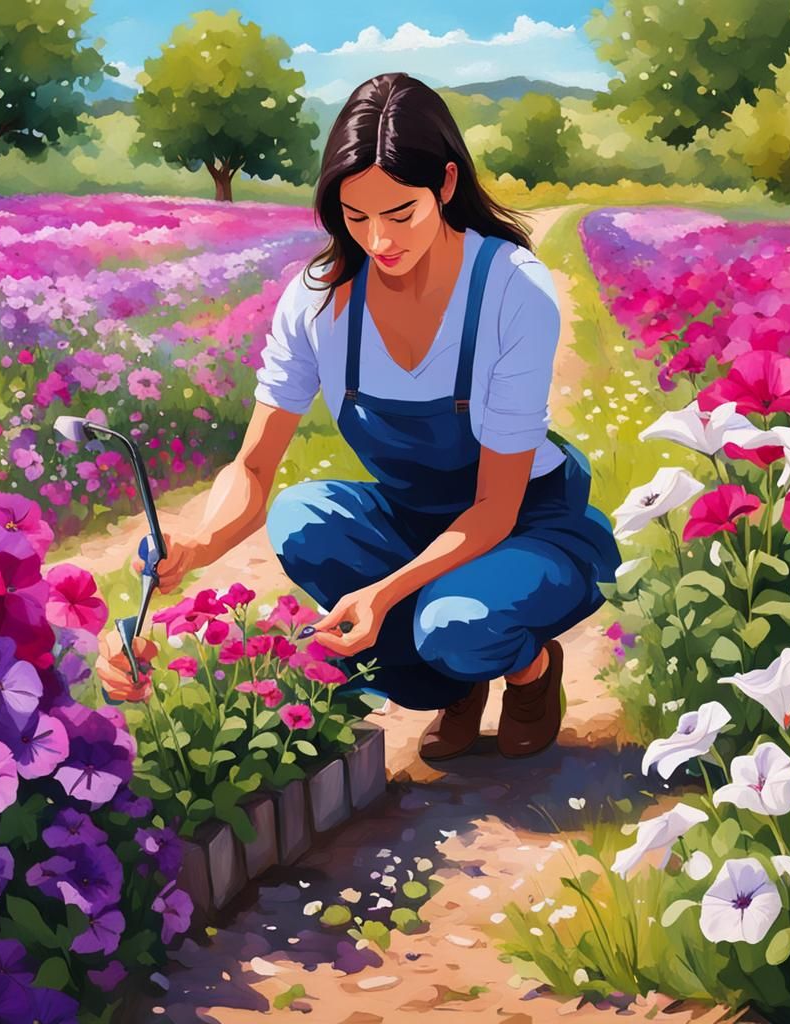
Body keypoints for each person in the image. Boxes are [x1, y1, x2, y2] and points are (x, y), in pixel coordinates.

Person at [97, 72, 622, 762]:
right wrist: (194, 548)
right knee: (300, 518)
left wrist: (384, 592)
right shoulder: (318, 301)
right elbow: (255, 467)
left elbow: (495, 507)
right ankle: (454, 677)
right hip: (415, 520)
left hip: (521, 521)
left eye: (400, 213)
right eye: (355, 216)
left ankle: (527, 668)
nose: (378, 240)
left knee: (454, 622)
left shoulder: (508, 289)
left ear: (445, 184)